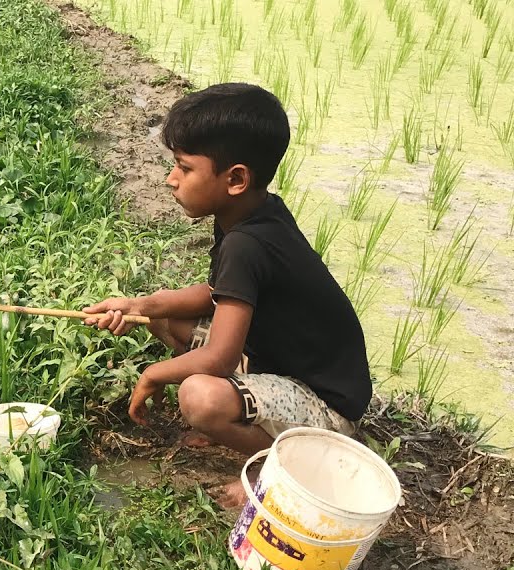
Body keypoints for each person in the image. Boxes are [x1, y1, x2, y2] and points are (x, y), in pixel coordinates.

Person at [84, 83, 372, 506]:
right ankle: (251, 420)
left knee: (199, 397)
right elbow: (217, 293)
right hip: (277, 366)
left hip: (326, 406)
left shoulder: (248, 243)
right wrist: (137, 307)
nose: (171, 179)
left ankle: (273, 465)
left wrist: (152, 375)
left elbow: (218, 358)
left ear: (235, 179)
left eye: (184, 167)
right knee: (163, 317)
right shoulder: (252, 213)